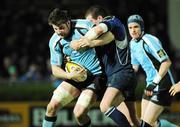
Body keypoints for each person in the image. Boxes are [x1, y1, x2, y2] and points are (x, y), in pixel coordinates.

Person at [70, 5, 140, 127]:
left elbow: (98, 30)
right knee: (133, 120)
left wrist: (81, 41)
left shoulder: (112, 21)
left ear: (100, 18)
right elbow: (104, 39)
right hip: (123, 76)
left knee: (105, 106)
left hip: (121, 74)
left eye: (91, 22)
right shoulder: (104, 39)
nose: (89, 26)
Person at [42, 8, 107, 127]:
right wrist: (69, 75)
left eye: (61, 27)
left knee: (79, 114)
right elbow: (55, 70)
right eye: (55, 28)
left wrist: (90, 43)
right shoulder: (55, 41)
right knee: (51, 107)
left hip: (96, 76)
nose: (58, 32)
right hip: (74, 77)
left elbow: (109, 36)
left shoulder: (85, 26)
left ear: (68, 22)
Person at [127, 14, 177, 127]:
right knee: (150, 124)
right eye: (130, 28)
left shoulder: (149, 40)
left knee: (147, 124)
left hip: (163, 83)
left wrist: (154, 83)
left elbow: (166, 62)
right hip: (150, 84)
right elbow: (134, 67)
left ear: (142, 27)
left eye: (136, 27)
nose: (133, 30)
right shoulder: (132, 44)